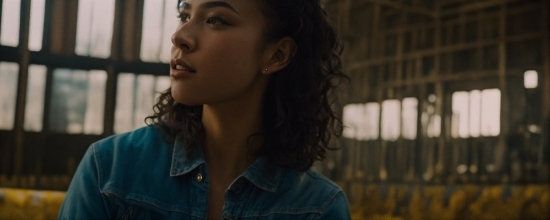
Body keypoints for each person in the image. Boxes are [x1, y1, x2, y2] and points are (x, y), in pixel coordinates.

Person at [58, 0, 351, 219]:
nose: (180, 36)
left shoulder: (317, 209)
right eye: (184, 15)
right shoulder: (110, 171)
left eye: (215, 20)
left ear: (277, 54)